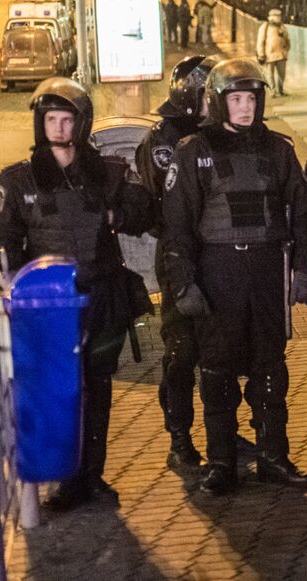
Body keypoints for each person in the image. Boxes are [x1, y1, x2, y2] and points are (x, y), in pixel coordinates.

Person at [161, 58, 307, 495]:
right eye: (235, 99)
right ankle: (221, 464)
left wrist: (305, 272)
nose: (245, 107)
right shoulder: (193, 151)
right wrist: (184, 285)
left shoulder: (278, 149)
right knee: (216, 372)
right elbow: (177, 227)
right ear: (218, 102)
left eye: (250, 98)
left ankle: (274, 458)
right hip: (220, 271)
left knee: (270, 368)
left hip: (267, 269)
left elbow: (304, 217)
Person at [0, 78, 154, 509]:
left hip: (100, 297)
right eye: (51, 120)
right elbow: (5, 242)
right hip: (49, 308)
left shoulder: (108, 172)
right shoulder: (17, 180)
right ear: (39, 124)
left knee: (97, 388)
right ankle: (60, 476)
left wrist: (122, 208)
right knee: (57, 390)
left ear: (80, 125)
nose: (59, 129)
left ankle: (90, 476)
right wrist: (14, 292)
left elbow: (145, 213)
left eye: (67, 120)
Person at [135, 55, 221, 472]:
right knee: (182, 351)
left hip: (220, 256)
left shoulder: (219, 133)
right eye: (209, 95)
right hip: (178, 256)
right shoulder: (165, 137)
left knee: (221, 351)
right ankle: (180, 436)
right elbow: (175, 203)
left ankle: (221, 430)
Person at [256, 8, 292, 98]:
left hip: (281, 55)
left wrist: (286, 50)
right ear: (271, 17)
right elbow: (260, 41)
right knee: (270, 75)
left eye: (279, 16)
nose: (279, 18)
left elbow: (287, 40)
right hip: (269, 55)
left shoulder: (282, 27)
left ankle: (281, 90)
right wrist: (261, 54)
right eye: (277, 16)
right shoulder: (265, 26)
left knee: (282, 74)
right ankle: (273, 91)